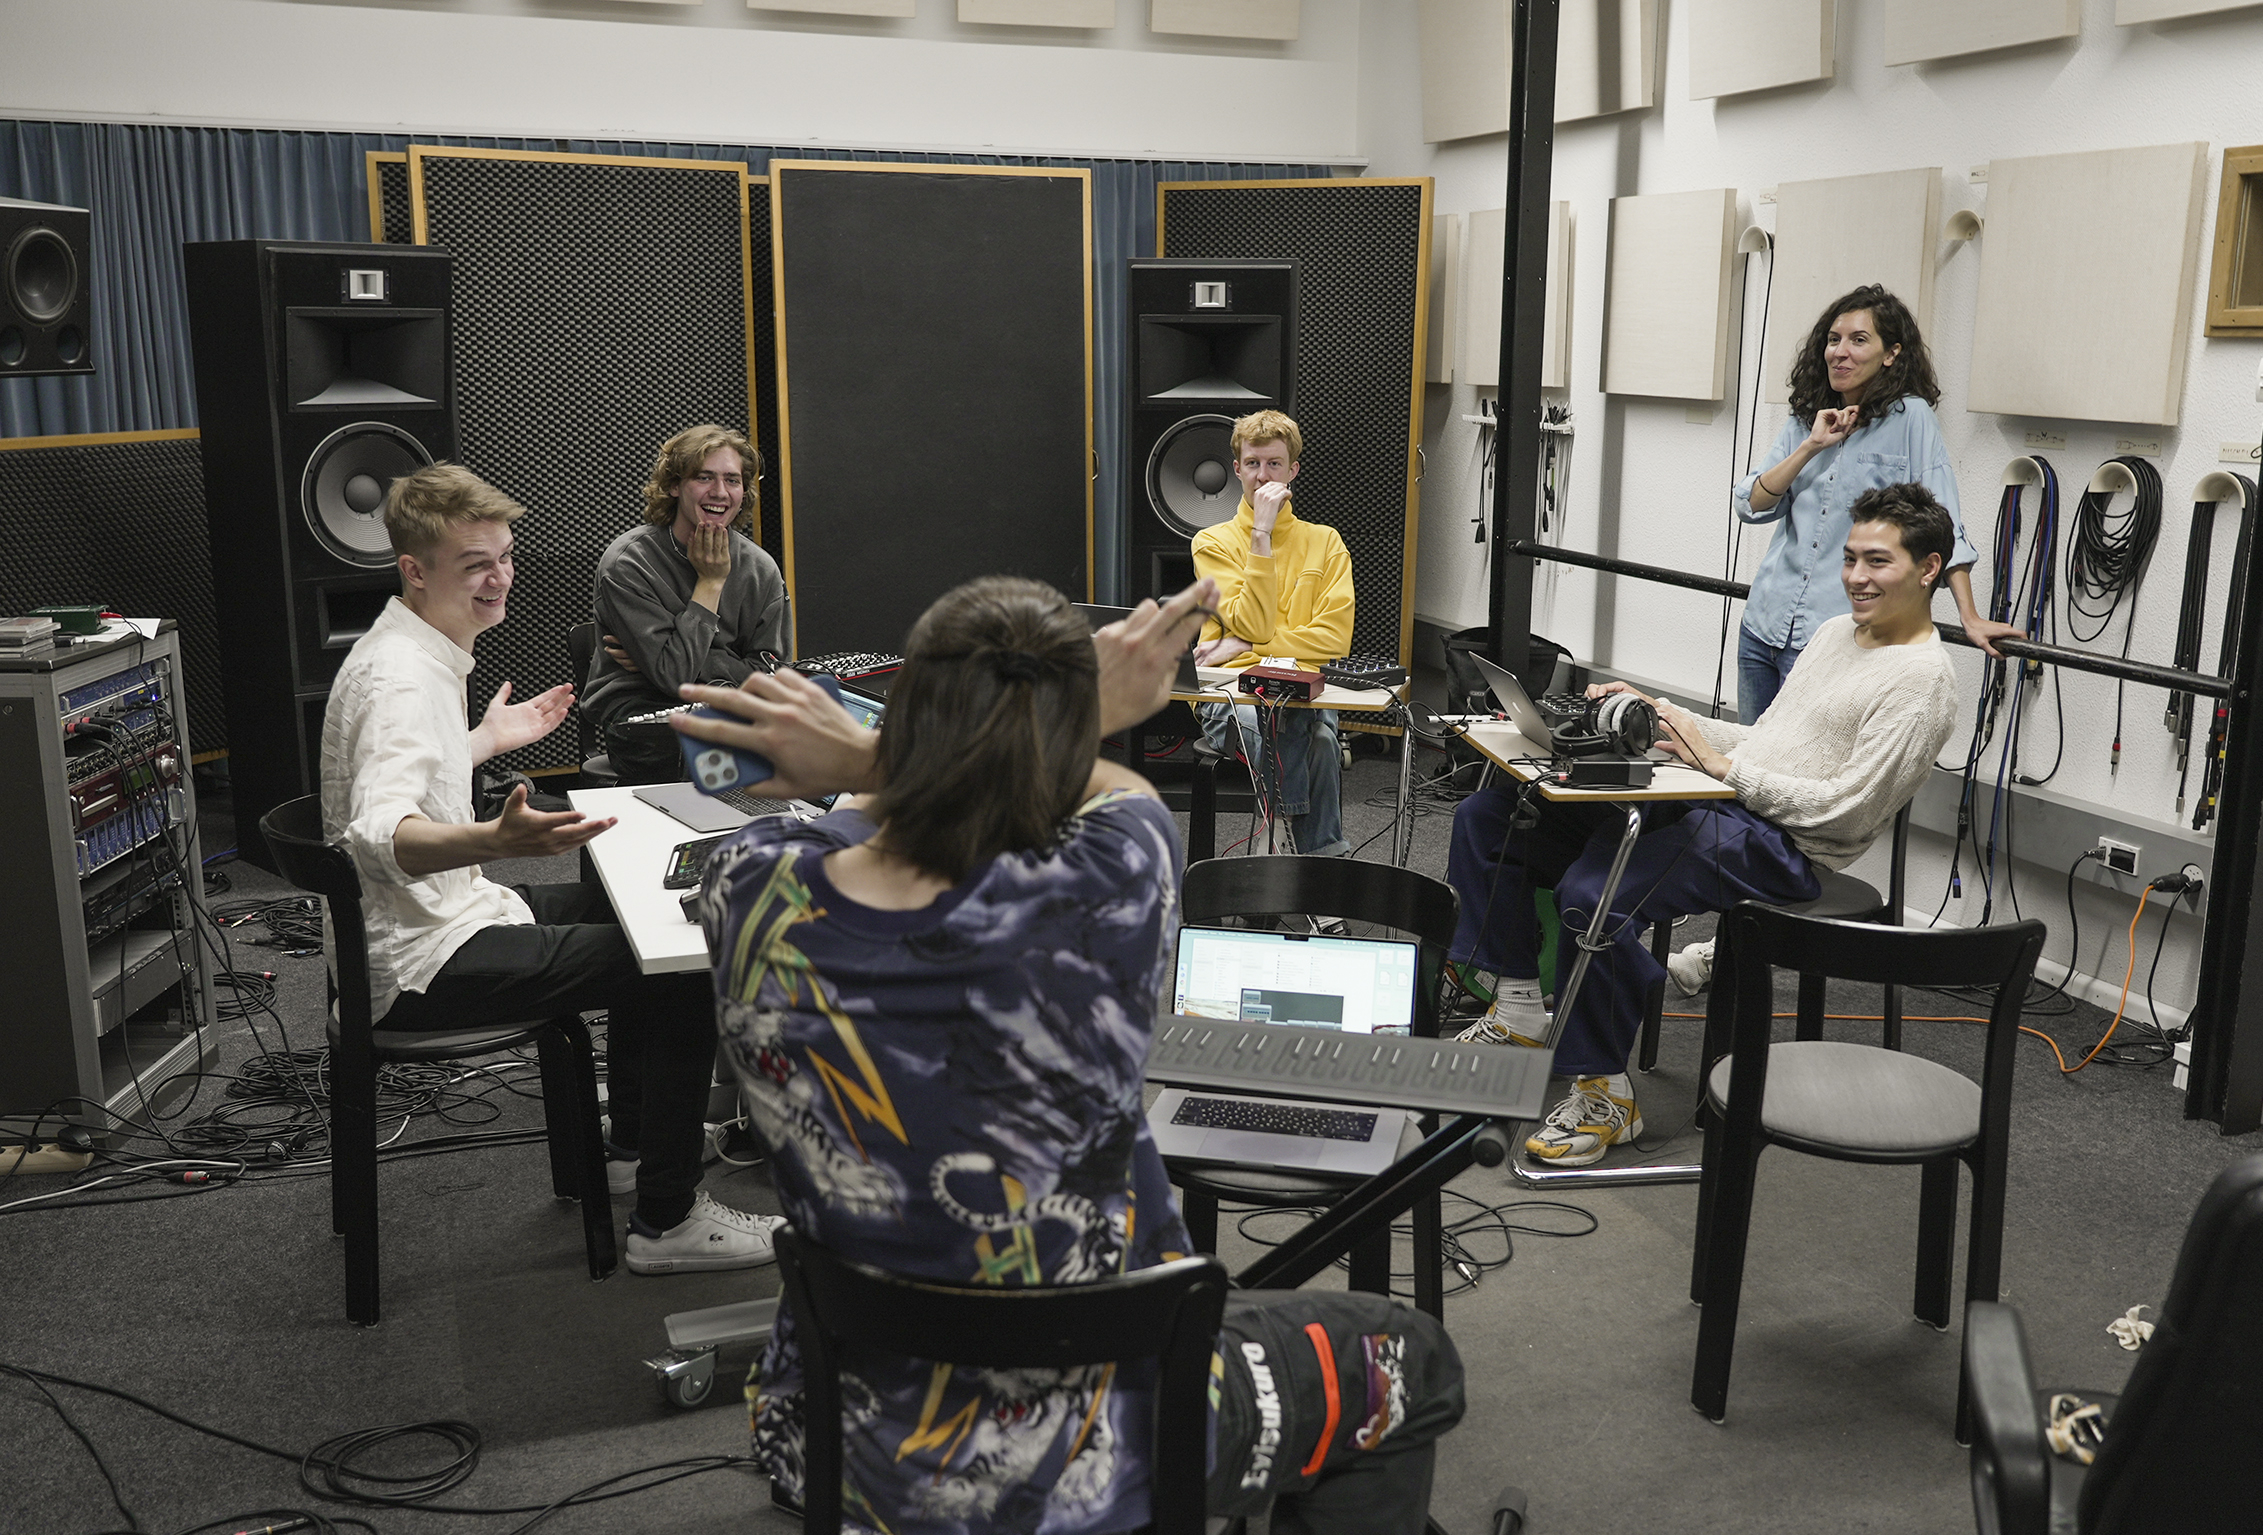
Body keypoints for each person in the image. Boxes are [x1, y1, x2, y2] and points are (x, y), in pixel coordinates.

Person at [668, 574, 1465, 1534]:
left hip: (845, 1436)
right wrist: (935, 740)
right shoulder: (1109, 880)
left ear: (905, 708)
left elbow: (907, 801)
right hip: (1093, 1449)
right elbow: (1080, 791)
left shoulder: (750, 886)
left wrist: (872, 752)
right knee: (1405, 1355)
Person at [321, 462, 781, 1273]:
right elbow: (377, 832)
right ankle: (667, 1222)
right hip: (423, 962)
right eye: (475, 564)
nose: (499, 578)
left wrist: (484, 743)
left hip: (431, 923)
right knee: (689, 962)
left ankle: (635, 1149)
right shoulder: (401, 678)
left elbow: (407, 775)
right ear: (414, 570)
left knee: (630, 913)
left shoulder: (412, 651)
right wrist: (496, 843)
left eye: (503, 556)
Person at [1444, 484, 1961, 1169]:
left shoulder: (1922, 681)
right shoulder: (1839, 633)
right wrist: (1664, 719)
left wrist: (1720, 768)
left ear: (1927, 569)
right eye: (1848, 559)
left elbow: (1846, 810)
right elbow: (1768, 739)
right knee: (1492, 818)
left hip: (1788, 846)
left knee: (1594, 891)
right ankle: (1516, 1010)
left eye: (1877, 562)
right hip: (1721, 798)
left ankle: (1604, 1092)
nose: (1856, 578)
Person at [1661, 284, 2021, 995]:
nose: (1840, 350)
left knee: (1790, 812)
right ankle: (1732, 947)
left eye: (1858, 339)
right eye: (1832, 337)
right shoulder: (1805, 416)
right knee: (1746, 791)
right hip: (1767, 625)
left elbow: (1943, 519)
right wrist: (1813, 444)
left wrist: (1970, 614)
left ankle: (1730, 954)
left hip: (1839, 638)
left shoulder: (1911, 418)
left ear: (1892, 352)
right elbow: (1750, 504)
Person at [1191, 409, 1356, 858]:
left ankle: (1279, 856)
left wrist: (1245, 644)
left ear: (1293, 470)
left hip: (1307, 693)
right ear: (1237, 469)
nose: (1262, 476)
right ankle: (1315, 868)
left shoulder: (1325, 542)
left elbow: (1334, 640)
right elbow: (1254, 623)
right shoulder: (1213, 543)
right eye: (1252, 464)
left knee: (1307, 727)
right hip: (1232, 696)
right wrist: (1260, 534)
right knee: (1316, 740)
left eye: (1274, 464)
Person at [582, 424, 788, 784]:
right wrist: (710, 582)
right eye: (704, 478)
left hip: (732, 707)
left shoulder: (760, 569)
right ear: (674, 486)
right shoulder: (628, 563)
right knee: (707, 756)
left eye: (732, 480)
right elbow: (673, 676)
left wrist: (665, 659)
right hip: (643, 713)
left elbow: (770, 676)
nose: (720, 492)